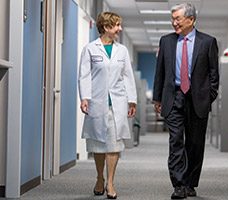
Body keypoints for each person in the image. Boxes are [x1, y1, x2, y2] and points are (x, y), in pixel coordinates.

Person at [153, 3, 219, 199]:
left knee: (195, 143)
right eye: (172, 19)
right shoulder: (166, 41)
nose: (174, 23)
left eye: (178, 19)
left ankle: (191, 183)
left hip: (197, 98)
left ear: (190, 20)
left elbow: (214, 74)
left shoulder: (207, 42)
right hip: (173, 97)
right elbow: (160, 72)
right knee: (175, 141)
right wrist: (157, 98)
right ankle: (179, 184)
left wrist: (208, 97)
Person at [78, 11, 137, 199]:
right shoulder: (90, 49)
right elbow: (84, 75)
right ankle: (99, 178)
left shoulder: (122, 51)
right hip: (97, 102)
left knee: (114, 144)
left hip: (117, 103)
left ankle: (110, 181)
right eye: (117, 25)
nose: (120, 29)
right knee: (98, 143)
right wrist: (85, 97)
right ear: (106, 27)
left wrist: (132, 99)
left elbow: (128, 76)